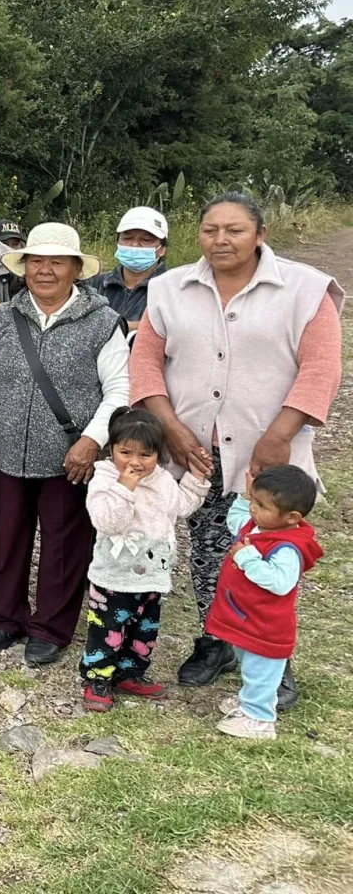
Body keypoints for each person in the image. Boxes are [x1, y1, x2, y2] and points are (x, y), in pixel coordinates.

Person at [132, 190, 341, 703]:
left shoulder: (304, 290)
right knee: (208, 553)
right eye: (210, 230)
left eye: (235, 230)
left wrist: (279, 435)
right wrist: (172, 429)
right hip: (195, 449)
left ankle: (271, 658)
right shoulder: (169, 288)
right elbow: (144, 364)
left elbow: (321, 369)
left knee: (268, 554)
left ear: (260, 235)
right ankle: (216, 640)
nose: (220, 239)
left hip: (268, 453)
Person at [0, 223, 129, 666]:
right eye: (37, 261)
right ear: (24, 267)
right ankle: (7, 618)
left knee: (63, 544)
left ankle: (51, 627)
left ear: (76, 269)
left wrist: (93, 439)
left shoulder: (103, 322)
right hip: (6, 451)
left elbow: (118, 390)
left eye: (57, 262)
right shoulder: (0, 318)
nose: (45, 270)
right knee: (8, 540)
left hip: (69, 457)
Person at [79, 408, 209, 713]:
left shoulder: (162, 479)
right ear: (111, 450)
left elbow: (180, 508)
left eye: (145, 455)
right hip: (114, 574)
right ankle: (98, 677)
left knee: (144, 629)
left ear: (158, 455)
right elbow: (108, 522)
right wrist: (125, 487)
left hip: (153, 572)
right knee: (107, 628)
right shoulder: (105, 479)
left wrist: (197, 478)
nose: (135, 462)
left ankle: (130, 672)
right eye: (125, 452)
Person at [206, 465, 323, 741]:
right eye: (254, 503)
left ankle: (259, 719)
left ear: (291, 517)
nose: (253, 509)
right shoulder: (258, 525)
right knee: (250, 664)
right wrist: (245, 496)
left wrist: (247, 558)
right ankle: (250, 702)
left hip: (266, 626)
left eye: (261, 505)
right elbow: (236, 520)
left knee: (262, 671)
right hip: (247, 617)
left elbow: (280, 583)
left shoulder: (287, 547)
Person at [87, 206, 169, 330]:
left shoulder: (172, 288)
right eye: (127, 238)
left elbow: (175, 329)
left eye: (146, 240)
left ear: (162, 249)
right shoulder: (95, 284)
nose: (135, 245)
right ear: (117, 243)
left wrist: (120, 327)